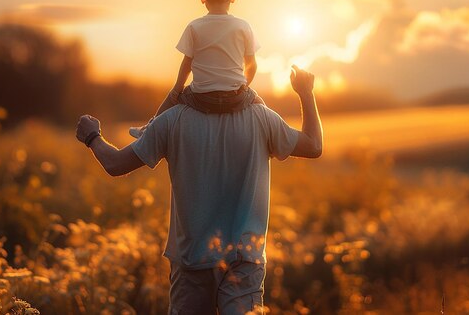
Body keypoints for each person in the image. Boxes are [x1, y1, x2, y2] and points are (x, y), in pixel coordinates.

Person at [76, 65, 323, 314]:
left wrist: (92, 137)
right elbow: (313, 146)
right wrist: (305, 92)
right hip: (244, 260)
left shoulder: (173, 120)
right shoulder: (262, 117)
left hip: (191, 261)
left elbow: (116, 164)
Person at [129, 0, 262, 138]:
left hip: (202, 98)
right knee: (260, 104)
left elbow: (187, 63)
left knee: (171, 97)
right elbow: (252, 64)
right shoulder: (244, 26)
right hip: (235, 97)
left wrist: (177, 90)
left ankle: (147, 129)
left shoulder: (194, 26)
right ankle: (269, 136)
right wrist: (244, 85)